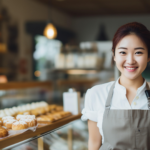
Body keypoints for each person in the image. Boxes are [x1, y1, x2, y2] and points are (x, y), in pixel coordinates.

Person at [81, 22, 150, 150]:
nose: (130, 60)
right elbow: (94, 144)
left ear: (148, 56)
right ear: (114, 55)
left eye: (138, 52)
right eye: (123, 52)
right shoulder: (96, 94)